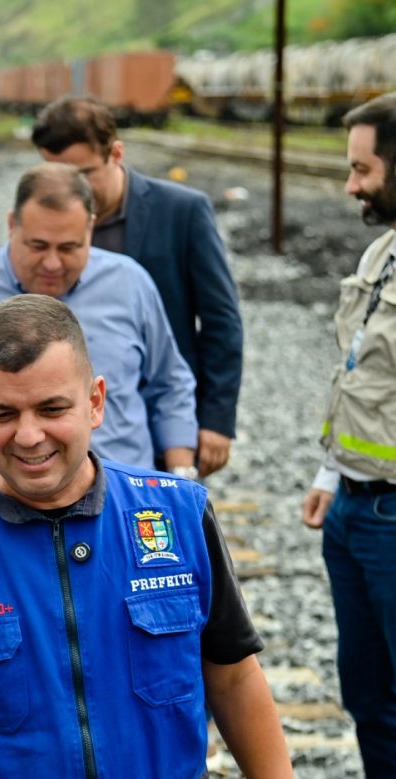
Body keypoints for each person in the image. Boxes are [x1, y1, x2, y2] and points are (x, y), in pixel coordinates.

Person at [0, 294, 292, 778]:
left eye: (51, 409)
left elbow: (235, 675)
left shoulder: (179, 515)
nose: (29, 436)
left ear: (95, 401)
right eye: (4, 414)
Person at [0, 162, 197, 479]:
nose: (52, 263)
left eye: (68, 248)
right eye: (37, 246)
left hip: (123, 502)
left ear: (90, 228)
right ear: (11, 225)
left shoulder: (130, 283)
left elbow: (169, 382)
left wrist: (181, 475)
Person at [32, 97, 243, 478]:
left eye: (80, 174)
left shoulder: (182, 211)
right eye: (54, 173)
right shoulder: (41, 223)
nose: (67, 189)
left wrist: (215, 420)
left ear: (115, 153)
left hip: (162, 421)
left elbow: (221, 320)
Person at [301, 91, 396, 776]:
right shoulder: (382, 253)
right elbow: (360, 370)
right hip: (355, 510)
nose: (350, 185)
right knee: (369, 695)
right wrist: (330, 474)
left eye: (363, 169)